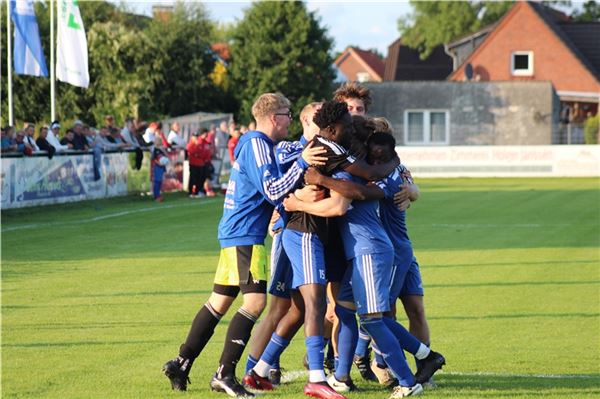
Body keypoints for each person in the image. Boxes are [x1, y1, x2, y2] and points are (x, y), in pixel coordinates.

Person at [162, 93, 327, 397]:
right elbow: (273, 188)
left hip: (235, 232)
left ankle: (182, 362)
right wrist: (302, 164)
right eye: (288, 114)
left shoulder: (260, 145)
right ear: (274, 117)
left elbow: (283, 164)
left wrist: (305, 149)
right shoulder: (256, 144)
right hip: (246, 235)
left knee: (218, 302)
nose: (290, 119)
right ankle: (224, 374)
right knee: (255, 303)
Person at [186, 128, 212, 198]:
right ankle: (190, 192)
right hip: (193, 163)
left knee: (200, 179)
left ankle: (197, 192)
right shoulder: (191, 144)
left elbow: (201, 153)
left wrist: (199, 155)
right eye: (195, 136)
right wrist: (198, 153)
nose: (196, 138)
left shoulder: (199, 143)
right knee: (193, 178)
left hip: (200, 163)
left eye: (197, 136)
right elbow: (193, 152)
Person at [151, 136, 169, 202]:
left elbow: (167, 157)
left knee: (160, 181)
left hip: (161, 167)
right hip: (157, 167)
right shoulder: (155, 150)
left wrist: (164, 150)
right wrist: (159, 163)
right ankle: (156, 196)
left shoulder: (161, 150)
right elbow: (154, 159)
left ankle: (158, 195)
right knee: (157, 181)